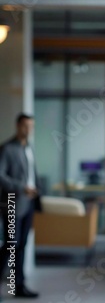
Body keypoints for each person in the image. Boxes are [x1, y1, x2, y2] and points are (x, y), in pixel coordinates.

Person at [0, 113, 41, 299]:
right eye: (25, 126)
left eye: (31, 126)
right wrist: (22, 188)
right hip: (12, 202)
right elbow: (1, 177)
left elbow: (32, 173)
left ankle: (18, 285)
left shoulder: (29, 148)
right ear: (18, 126)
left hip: (28, 204)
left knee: (22, 245)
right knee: (11, 244)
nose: (28, 130)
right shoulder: (7, 149)